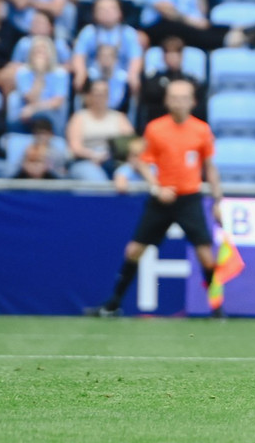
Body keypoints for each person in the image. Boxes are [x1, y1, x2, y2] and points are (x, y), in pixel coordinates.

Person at [86, 80, 222, 317]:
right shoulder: (156, 129)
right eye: (174, 97)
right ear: (167, 100)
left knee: (205, 253)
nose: (178, 102)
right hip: (162, 199)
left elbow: (209, 167)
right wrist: (157, 187)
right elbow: (142, 162)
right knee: (134, 250)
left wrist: (218, 200)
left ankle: (217, 309)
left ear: (193, 101)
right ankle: (113, 304)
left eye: (183, 97)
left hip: (189, 197)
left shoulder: (201, 130)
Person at [66, 78, 136, 182]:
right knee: (97, 180)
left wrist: (110, 155)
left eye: (104, 93)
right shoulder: (79, 118)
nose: (100, 97)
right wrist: (94, 155)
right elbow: (75, 148)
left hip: (114, 160)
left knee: (130, 175)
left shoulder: (119, 118)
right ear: (89, 96)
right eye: (97, 93)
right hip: (85, 161)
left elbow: (132, 143)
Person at [72, 0, 143, 94]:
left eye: (111, 9)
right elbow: (79, 56)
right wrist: (81, 73)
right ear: (94, 13)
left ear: (120, 13)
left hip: (120, 73)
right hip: (94, 73)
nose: (107, 12)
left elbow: (135, 57)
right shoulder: (88, 32)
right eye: (102, 9)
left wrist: (133, 74)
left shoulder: (128, 33)